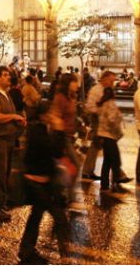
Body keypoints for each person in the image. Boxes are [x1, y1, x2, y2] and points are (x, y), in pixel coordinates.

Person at [17, 99, 70, 264]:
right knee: (60, 218)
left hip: (44, 182)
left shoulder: (44, 129)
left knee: (36, 216)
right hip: (36, 183)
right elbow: (55, 152)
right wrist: (59, 130)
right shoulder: (37, 131)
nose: (56, 115)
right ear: (44, 115)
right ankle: (65, 257)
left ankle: (26, 250)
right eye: (52, 113)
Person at [0, 66, 27, 221]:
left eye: (9, 75)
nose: (9, 77)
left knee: (4, 172)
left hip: (6, 139)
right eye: (5, 75)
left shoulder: (5, 94)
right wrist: (14, 117)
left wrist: (18, 120)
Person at [50, 73, 84, 211]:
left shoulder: (72, 97)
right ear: (67, 84)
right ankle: (69, 197)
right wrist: (60, 129)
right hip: (62, 137)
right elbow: (54, 116)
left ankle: (61, 194)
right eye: (74, 82)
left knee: (66, 167)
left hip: (70, 136)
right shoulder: (60, 98)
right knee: (75, 164)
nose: (77, 84)